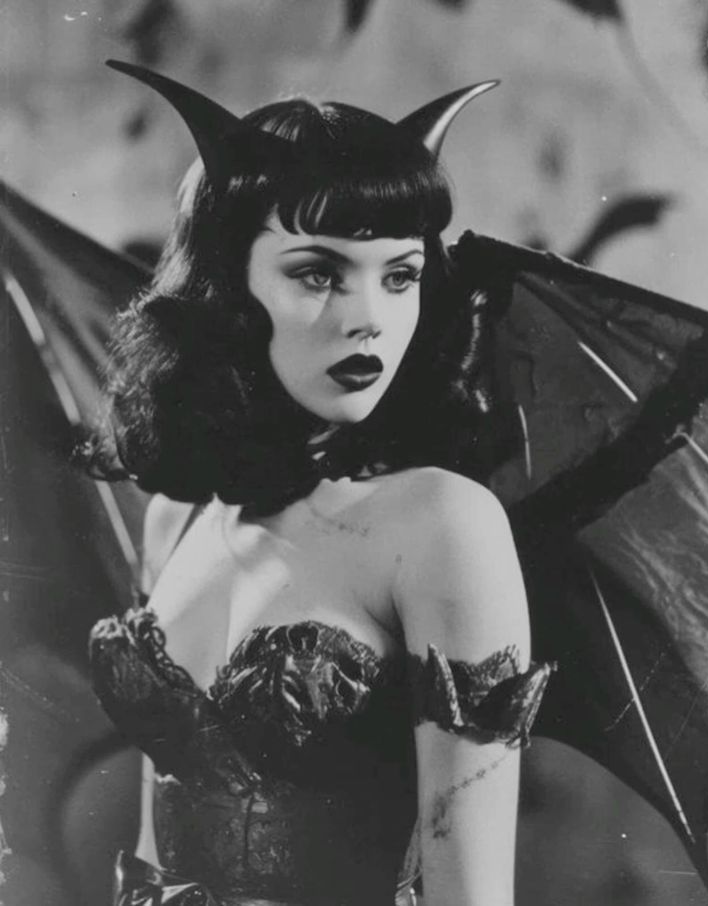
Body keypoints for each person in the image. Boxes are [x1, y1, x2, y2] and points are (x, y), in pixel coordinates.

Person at [88, 60, 552, 906]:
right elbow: (151, 862)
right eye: (318, 273)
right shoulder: (174, 519)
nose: (369, 316)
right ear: (227, 284)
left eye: (400, 275)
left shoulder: (442, 523)